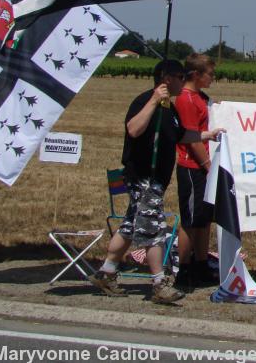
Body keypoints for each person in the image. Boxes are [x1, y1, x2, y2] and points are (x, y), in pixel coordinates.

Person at [90, 59, 186, 304]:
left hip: (157, 180)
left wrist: (212, 134)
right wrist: (154, 100)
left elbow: (182, 136)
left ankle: (107, 272)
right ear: (167, 78)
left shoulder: (170, 109)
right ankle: (159, 283)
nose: (183, 81)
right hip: (144, 178)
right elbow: (133, 129)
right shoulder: (144, 101)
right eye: (180, 76)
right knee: (153, 228)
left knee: (131, 226)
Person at [174, 53, 223, 288]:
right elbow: (192, 139)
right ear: (196, 75)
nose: (212, 78)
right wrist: (206, 165)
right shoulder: (186, 100)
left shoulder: (200, 98)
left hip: (202, 167)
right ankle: (183, 269)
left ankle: (202, 264)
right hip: (191, 167)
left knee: (204, 220)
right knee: (190, 220)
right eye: (209, 74)